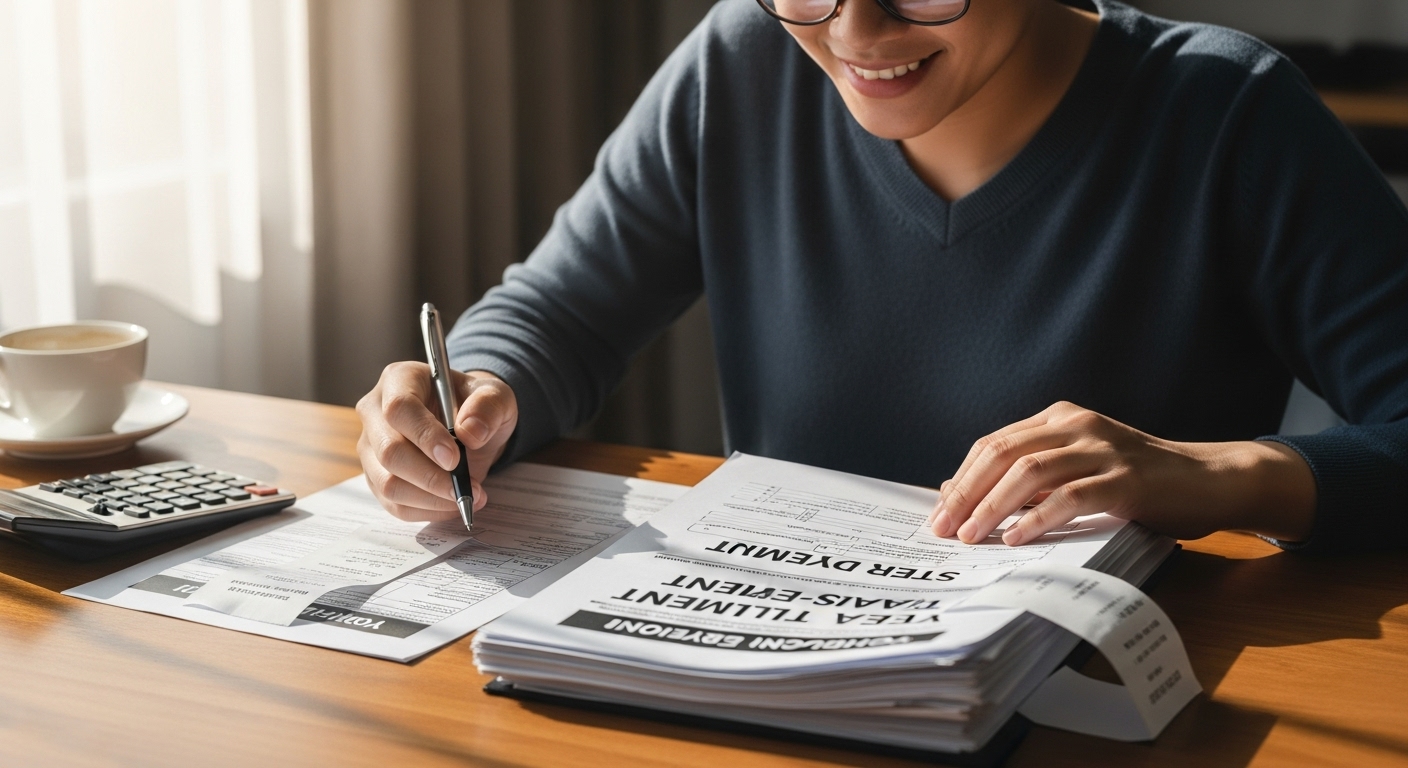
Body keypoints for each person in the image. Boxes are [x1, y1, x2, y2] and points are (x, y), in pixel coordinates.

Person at [355, 0, 1408, 553]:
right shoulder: (742, 62)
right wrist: (475, 393)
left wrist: (1213, 476)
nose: (854, 34)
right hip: (778, 691)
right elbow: (563, 313)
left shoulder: (1224, 113)